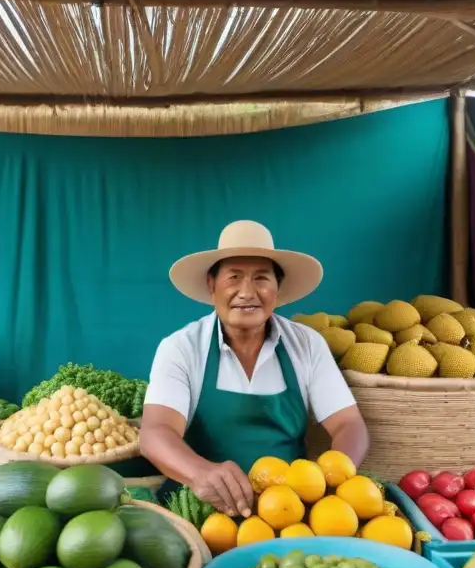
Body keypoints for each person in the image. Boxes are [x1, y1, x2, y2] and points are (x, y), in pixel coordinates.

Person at [140, 220, 369, 519]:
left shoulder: (307, 344)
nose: (247, 292)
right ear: (212, 285)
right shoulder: (181, 347)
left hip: (288, 512)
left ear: (277, 287)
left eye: (261, 278)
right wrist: (200, 474)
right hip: (198, 512)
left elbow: (349, 424)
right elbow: (155, 432)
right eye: (234, 277)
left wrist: (332, 481)